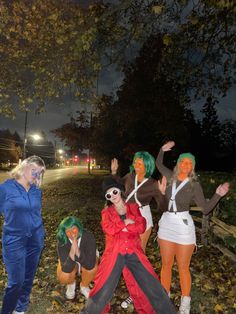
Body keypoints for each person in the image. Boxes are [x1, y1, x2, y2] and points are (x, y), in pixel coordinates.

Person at [80, 177, 176, 314]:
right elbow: (109, 229)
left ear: (119, 190)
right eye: (108, 195)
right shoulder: (106, 212)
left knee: (150, 283)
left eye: (114, 192)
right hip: (114, 253)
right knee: (104, 285)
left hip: (133, 251)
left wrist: (125, 227)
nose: (113, 196)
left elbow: (141, 225)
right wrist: (125, 223)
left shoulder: (133, 207)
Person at [156, 141, 230, 314]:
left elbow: (205, 209)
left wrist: (217, 195)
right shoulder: (169, 175)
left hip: (183, 226)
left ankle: (185, 302)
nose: (185, 165)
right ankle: (163, 297)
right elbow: (159, 164)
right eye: (183, 161)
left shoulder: (194, 185)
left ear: (192, 167)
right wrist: (162, 151)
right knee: (166, 264)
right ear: (178, 164)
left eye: (189, 163)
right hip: (166, 223)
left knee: (183, 266)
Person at [111, 152, 167, 308]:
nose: (136, 164)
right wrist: (114, 173)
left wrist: (162, 193)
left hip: (142, 217)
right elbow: (119, 186)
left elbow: (163, 207)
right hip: (126, 216)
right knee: (125, 254)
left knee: (137, 257)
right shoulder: (130, 176)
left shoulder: (153, 183)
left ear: (147, 165)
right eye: (135, 161)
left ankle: (138, 293)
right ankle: (134, 289)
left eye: (140, 162)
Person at [0, 156, 46, 314]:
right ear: (23, 166)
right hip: (14, 240)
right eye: (34, 169)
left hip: (35, 239)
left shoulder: (36, 191)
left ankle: (20, 308)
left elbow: (36, 213)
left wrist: (39, 234)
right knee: (16, 282)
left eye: (40, 172)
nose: (36, 174)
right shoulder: (6, 188)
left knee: (28, 277)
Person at [56, 216, 98, 300]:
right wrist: (72, 250)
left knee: (92, 269)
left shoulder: (88, 236)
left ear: (78, 227)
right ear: (64, 233)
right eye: (67, 231)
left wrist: (78, 252)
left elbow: (90, 265)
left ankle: (84, 286)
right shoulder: (62, 241)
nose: (71, 233)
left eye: (73, 228)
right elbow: (66, 269)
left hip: (87, 258)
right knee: (64, 276)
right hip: (70, 261)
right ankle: (71, 284)